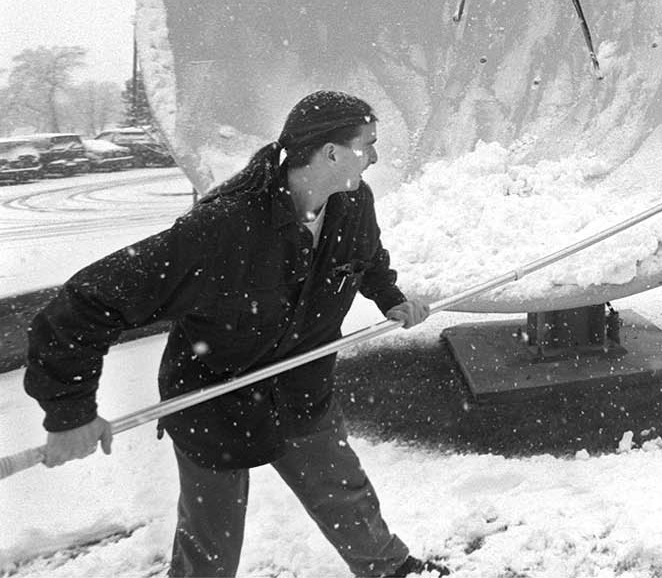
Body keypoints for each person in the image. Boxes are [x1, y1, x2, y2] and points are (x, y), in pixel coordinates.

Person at [25, 91, 448, 577]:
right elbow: (86, 301)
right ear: (331, 153)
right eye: (367, 144)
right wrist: (70, 411)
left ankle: (391, 570)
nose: (374, 156)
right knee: (212, 538)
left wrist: (390, 297)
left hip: (301, 387)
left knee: (344, 493)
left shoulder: (353, 203)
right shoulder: (224, 228)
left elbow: (366, 256)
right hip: (215, 402)